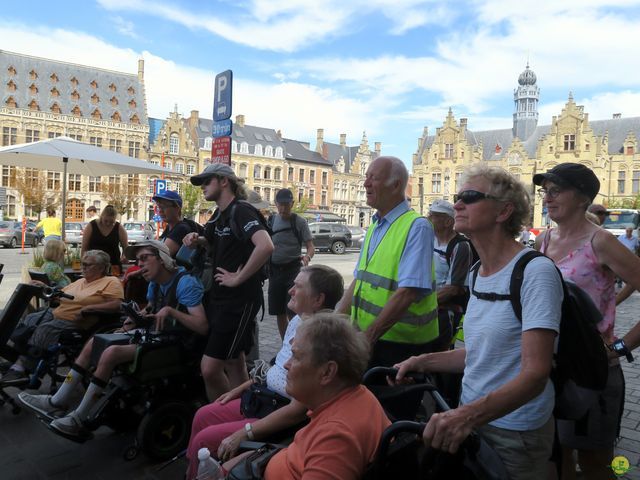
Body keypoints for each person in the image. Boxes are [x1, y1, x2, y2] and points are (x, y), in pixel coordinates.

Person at [394, 164, 562, 480]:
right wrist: (422, 361)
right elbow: (481, 353)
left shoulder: (535, 272)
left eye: (469, 197)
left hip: (515, 432)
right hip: (473, 418)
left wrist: (466, 417)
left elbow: (535, 374)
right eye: (458, 196)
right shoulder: (477, 272)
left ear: (504, 211)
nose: (457, 203)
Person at [18, 240, 207, 438]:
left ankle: (79, 417)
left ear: (162, 259)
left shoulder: (185, 283)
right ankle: (57, 400)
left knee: (111, 352)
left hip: (179, 344)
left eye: (144, 258)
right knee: (95, 341)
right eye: (138, 260)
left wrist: (171, 312)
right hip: (157, 336)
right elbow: (150, 309)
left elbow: (202, 327)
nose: (139, 264)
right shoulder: (155, 284)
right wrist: (130, 322)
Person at [533, 162, 640, 480]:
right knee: (558, 457)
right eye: (545, 191)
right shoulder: (544, 241)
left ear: (582, 198)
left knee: (595, 464)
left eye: (556, 191)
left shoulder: (601, 242)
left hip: (592, 371)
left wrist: (621, 346)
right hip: (550, 370)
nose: (547, 198)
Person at [185, 264, 344, 478]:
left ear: (318, 300)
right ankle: (193, 472)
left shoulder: (320, 340)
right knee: (203, 415)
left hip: (278, 409)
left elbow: (298, 410)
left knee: (203, 439)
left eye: (298, 286)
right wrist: (238, 389)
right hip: (263, 396)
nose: (290, 290)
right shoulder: (297, 320)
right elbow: (276, 365)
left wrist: (244, 433)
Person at [223, 313, 390, 480]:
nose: (287, 365)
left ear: (327, 372)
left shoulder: (336, 438)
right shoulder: (359, 396)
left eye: (296, 356)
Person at [335, 156, 439, 367]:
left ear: (396, 185)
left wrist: (367, 338)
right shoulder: (375, 225)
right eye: (366, 177)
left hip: (400, 346)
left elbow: (409, 292)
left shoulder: (417, 226)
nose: (365, 183)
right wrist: (334, 321)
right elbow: (359, 279)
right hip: (370, 338)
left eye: (373, 178)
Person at [184, 163, 274, 400]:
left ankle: (223, 415)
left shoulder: (241, 210)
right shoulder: (219, 215)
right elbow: (212, 240)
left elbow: (265, 246)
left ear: (224, 181)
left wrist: (238, 278)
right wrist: (197, 239)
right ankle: (247, 411)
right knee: (235, 361)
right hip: (220, 297)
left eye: (207, 181)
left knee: (210, 368)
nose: (202, 187)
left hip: (238, 300)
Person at [2, 250, 124, 383]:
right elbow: (60, 295)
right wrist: (44, 287)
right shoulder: (81, 281)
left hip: (76, 320)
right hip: (57, 313)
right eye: (83, 264)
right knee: (30, 319)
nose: (83, 267)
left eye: (88, 264)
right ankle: (18, 358)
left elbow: (116, 305)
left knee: (45, 329)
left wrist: (89, 308)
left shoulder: (111, 281)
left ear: (101, 267)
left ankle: (22, 369)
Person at [268, 188, 314, 339]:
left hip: (293, 271)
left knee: (293, 311)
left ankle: (296, 343)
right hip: (274, 272)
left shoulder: (299, 222)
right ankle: (285, 345)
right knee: (278, 311)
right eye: (280, 205)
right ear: (275, 204)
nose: (283, 208)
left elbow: (310, 246)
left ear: (292, 204)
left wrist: (307, 257)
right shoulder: (271, 220)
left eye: (286, 205)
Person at [429, 199, 473, 343]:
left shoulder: (460, 246)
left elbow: (454, 288)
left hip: (445, 313)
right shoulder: (430, 239)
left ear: (448, 222)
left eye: (433, 216)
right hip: (430, 308)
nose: (428, 218)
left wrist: (422, 304)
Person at [153, 190, 201, 257]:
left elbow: (160, 256)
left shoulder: (181, 229)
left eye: (164, 207)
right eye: (159, 207)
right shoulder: (169, 227)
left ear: (177, 209)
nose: (160, 211)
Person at [82, 205, 128, 269]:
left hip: (113, 265)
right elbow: (84, 247)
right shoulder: (91, 226)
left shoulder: (119, 228)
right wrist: (84, 264)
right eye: (105, 221)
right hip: (93, 266)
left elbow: (126, 247)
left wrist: (124, 256)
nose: (108, 223)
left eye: (112, 222)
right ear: (102, 216)